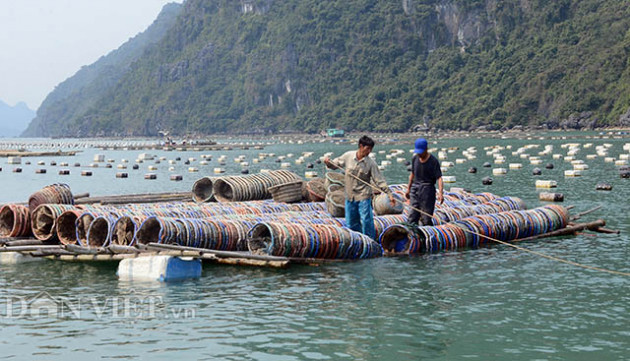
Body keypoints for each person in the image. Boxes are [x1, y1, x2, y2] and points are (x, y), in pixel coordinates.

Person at [324, 135, 395, 240]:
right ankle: (357, 241)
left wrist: (389, 194)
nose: (369, 151)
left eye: (371, 149)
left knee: (366, 220)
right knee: (351, 222)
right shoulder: (348, 156)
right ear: (361, 146)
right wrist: (328, 163)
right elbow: (335, 164)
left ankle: (369, 240)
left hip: (363, 196)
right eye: (367, 148)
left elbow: (379, 180)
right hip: (350, 196)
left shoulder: (370, 163)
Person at [405, 137, 443, 226]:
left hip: (427, 190)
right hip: (415, 188)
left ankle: (428, 235)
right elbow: (412, 175)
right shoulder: (415, 159)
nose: (419, 154)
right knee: (412, 215)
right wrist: (408, 189)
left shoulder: (433, 161)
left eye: (421, 152)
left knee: (426, 217)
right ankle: (412, 235)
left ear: (426, 149)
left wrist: (440, 193)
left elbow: (439, 178)